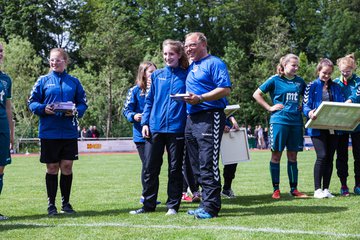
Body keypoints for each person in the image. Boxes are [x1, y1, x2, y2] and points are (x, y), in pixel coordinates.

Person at [129, 39, 188, 215]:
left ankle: (172, 206)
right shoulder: (156, 75)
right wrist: (145, 122)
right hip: (155, 128)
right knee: (150, 168)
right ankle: (148, 205)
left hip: (177, 129)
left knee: (175, 169)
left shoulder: (187, 74)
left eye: (171, 54)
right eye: (165, 54)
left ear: (178, 55)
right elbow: (149, 101)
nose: (167, 57)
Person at [28, 48, 88, 216]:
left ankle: (66, 203)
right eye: (52, 60)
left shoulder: (74, 81)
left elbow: (83, 103)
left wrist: (76, 110)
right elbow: (32, 102)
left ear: (65, 61)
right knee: (52, 167)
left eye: (58, 60)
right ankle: (51, 204)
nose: (54, 62)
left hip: (69, 132)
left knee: (67, 167)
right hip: (49, 132)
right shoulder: (43, 81)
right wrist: (42, 108)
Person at [183, 32, 231, 219]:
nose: (188, 49)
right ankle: (204, 203)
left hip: (210, 117)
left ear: (203, 44)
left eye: (191, 45)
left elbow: (225, 89)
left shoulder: (215, 63)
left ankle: (211, 207)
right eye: (186, 46)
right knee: (196, 164)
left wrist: (201, 98)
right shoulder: (193, 66)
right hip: (191, 118)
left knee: (208, 162)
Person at [253, 53, 308, 199]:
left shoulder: (300, 82)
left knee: (293, 156)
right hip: (279, 121)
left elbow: (308, 98)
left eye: (297, 66)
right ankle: (276, 189)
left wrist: (304, 106)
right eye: (293, 65)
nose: (296, 68)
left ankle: (294, 189)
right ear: (284, 65)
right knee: (276, 155)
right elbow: (256, 94)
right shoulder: (275, 79)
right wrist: (270, 107)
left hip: (296, 122)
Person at [303, 58, 345, 198]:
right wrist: (309, 112)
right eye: (324, 72)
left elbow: (341, 105)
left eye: (329, 73)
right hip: (316, 127)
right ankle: (317, 190)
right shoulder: (311, 86)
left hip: (333, 126)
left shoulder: (336, 87)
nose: (326, 75)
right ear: (318, 71)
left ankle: (326, 189)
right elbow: (305, 105)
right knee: (322, 155)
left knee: (330, 158)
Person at [123, 61, 157, 204]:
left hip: (157, 132)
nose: (153, 74)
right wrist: (134, 116)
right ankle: (146, 195)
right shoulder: (134, 91)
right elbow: (126, 110)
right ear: (143, 74)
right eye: (150, 72)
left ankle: (151, 196)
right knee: (147, 165)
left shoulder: (159, 88)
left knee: (153, 166)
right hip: (141, 135)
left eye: (155, 71)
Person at [334, 54, 360, 196]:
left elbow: (356, 96)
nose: (345, 73)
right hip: (341, 125)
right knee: (342, 156)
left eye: (348, 71)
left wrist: (348, 102)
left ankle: (358, 184)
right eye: (343, 71)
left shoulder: (359, 82)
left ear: (353, 68)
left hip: (357, 124)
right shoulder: (335, 83)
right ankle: (343, 184)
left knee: (359, 156)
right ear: (339, 69)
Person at [0, 42, 14, 220]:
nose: (0, 54)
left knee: (1, 169)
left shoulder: (6, 80)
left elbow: (9, 108)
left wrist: (11, 132)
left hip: (2, 128)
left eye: (1, 50)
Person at [221, 115, 240, 198]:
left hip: (227, 132)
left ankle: (226, 188)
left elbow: (228, 111)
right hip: (209, 131)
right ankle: (195, 188)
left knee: (232, 160)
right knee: (209, 163)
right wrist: (220, 126)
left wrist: (233, 121)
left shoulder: (222, 101)